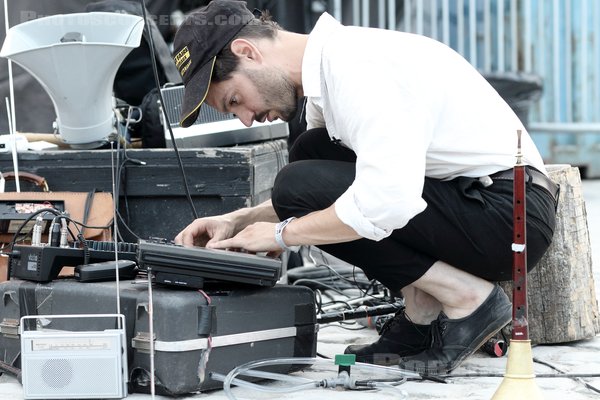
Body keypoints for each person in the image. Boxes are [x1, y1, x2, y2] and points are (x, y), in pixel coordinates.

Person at [173, 0, 558, 375]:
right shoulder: (331, 70)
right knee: (310, 154)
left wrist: (283, 234)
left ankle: (468, 299)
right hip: (472, 202)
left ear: (247, 51)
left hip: (509, 217)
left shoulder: (357, 67)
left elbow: (386, 199)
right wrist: (238, 221)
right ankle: (422, 311)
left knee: (300, 180)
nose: (245, 120)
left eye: (235, 100)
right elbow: (324, 189)